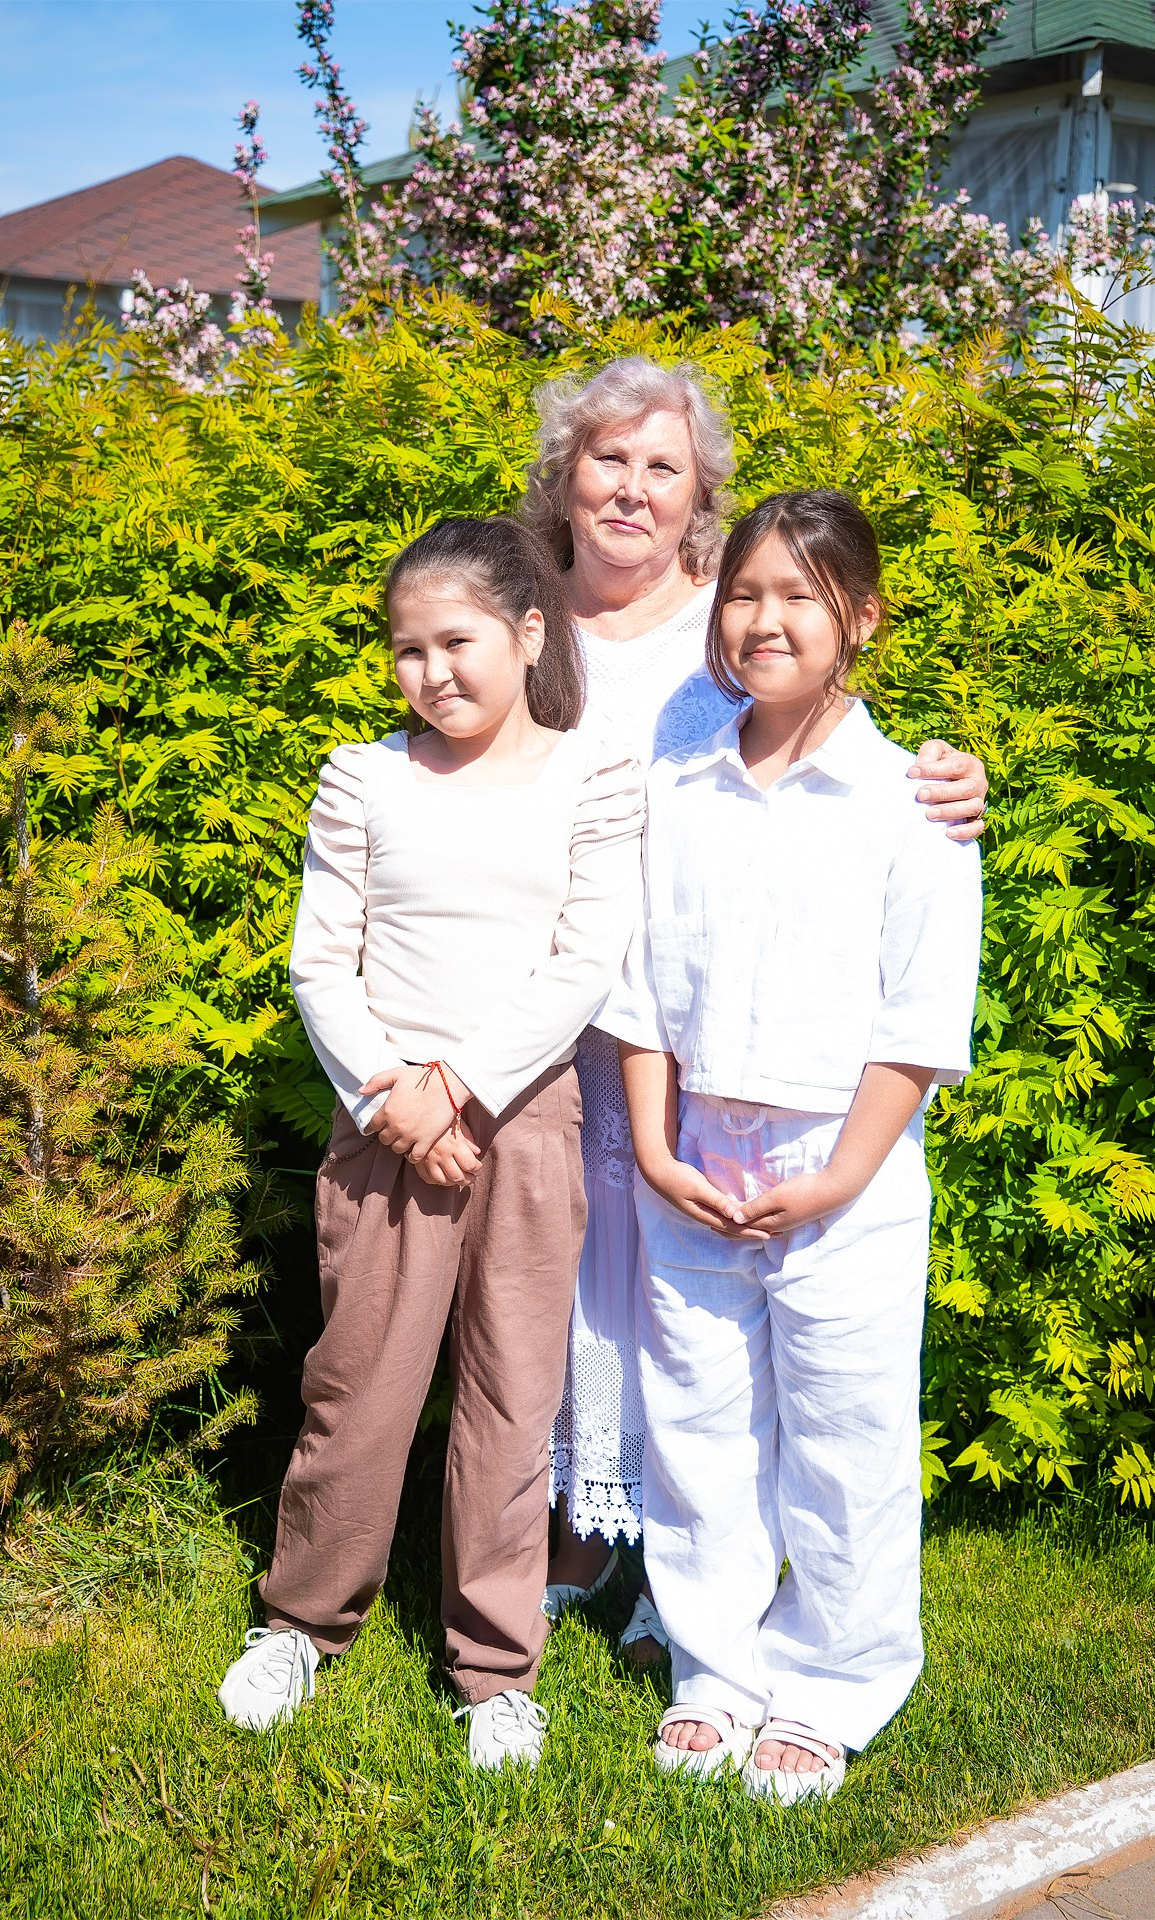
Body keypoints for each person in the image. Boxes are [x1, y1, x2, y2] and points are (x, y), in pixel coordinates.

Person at [526, 359, 989, 1658]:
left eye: (660, 466)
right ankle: (598, 1559)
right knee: (612, 1329)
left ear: (698, 499)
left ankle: (735, 1610)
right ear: (565, 472)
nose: (629, 486)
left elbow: (833, 743)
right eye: (607, 459)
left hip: (717, 1055)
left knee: (709, 1337)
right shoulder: (516, 607)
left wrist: (945, 777)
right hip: (570, 1022)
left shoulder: (728, 634)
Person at [217, 517, 645, 1769]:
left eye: (455, 641)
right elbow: (320, 958)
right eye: (406, 651)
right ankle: (302, 1620)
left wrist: (457, 1087)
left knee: (514, 1399)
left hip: (521, 1122)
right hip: (384, 1127)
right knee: (359, 1387)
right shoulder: (363, 775)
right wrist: (393, 1097)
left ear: (525, 634)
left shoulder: (592, 773)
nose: (432, 673)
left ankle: (493, 1667)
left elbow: (583, 957)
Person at [600, 489, 982, 1802]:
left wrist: (838, 1176)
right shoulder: (682, 779)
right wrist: (654, 1151)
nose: (763, 621)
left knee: (843, 1434)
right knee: (698, 1426)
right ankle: (716, 1666)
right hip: (693, 1156)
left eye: (799, 598)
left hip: (844, 1170)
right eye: (745, 594)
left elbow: (922, 1019)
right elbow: (640, 985)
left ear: (860, 620)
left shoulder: (910, 799)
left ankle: (831, 1682)